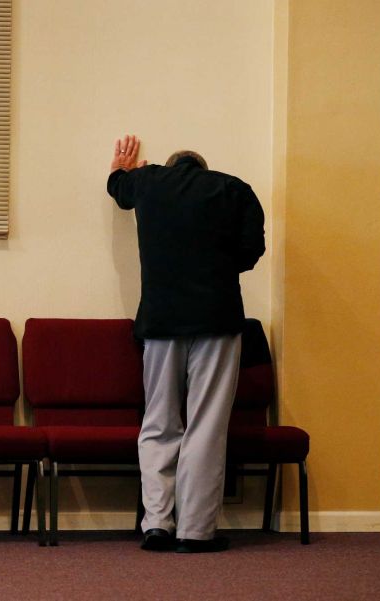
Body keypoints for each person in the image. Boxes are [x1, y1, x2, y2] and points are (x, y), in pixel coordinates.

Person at [107, 134, 265, 553]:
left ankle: (157, 524)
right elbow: (252, 250)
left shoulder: (149, 182)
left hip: (161, 321)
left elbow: (118, 192)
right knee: (206, 425)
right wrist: (213, 266)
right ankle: (195, 531)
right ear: (204, 167)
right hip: (217, 317)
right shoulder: (234, 188)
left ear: (171, 165)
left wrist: (121, 170)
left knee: (158, 423)